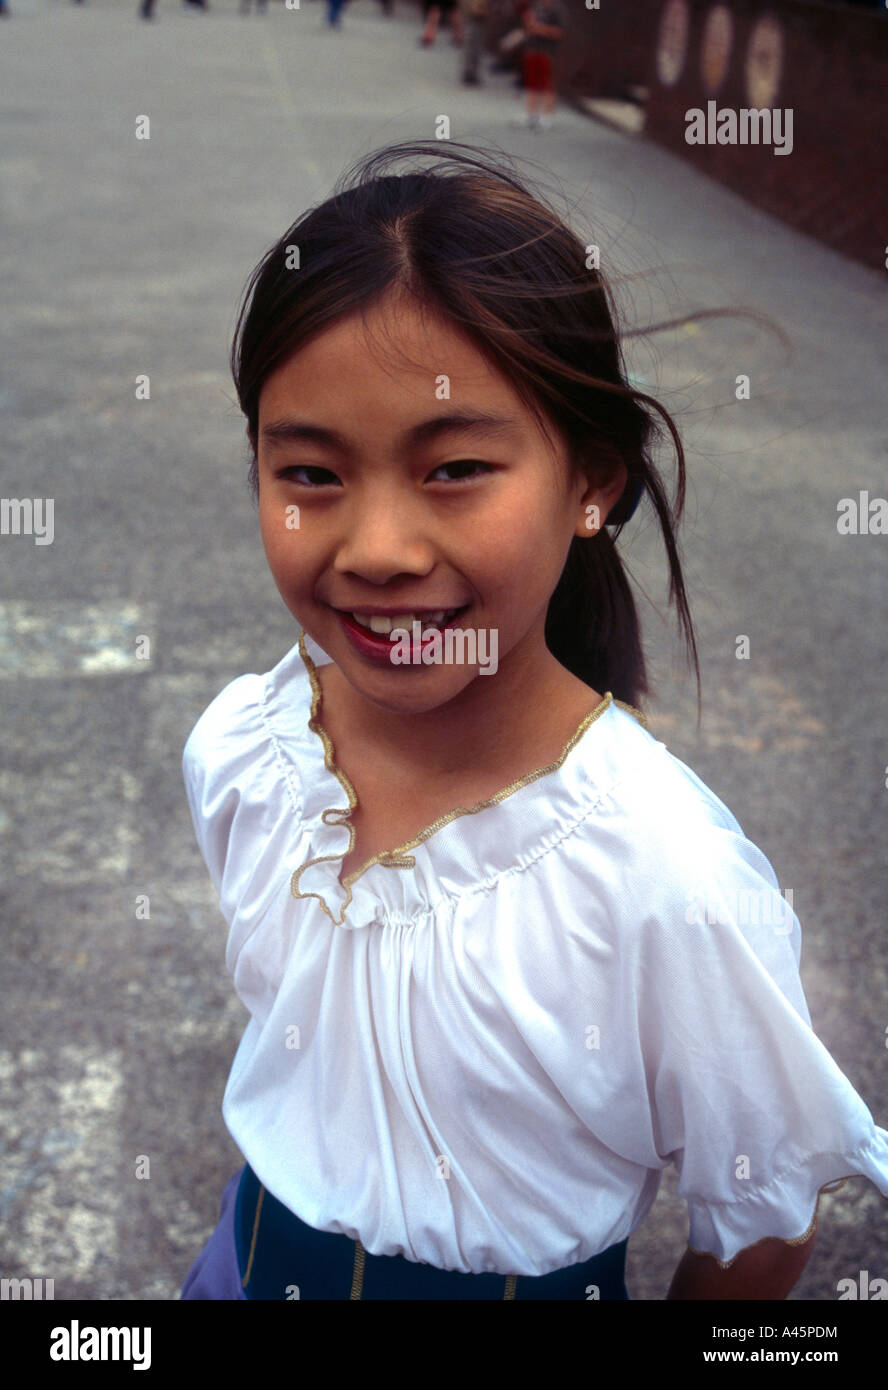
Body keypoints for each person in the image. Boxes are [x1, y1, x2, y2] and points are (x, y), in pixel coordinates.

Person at [179, 140, 888, 1300]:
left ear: (592, 482)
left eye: (454, 467)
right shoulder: (247, 754)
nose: (379, 551)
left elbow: (759, 1220)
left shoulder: (663, 876)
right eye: (310, 472)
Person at [513, 0, 568, 129]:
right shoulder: (536, 5)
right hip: (532, 49)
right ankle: (531, 113)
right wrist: (527, 22)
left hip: (548, 51)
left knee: (547, 83)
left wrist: (540, 28)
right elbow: (528, 27)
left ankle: (547, 115)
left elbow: (560, 32)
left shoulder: (558, 8)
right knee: (532, 83)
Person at [459, 0, 488, 84]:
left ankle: (470, 72)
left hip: (473, 14)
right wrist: (480, 9)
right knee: (473, 44)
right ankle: (469, 73)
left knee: (473, 44)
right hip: (474, 14)